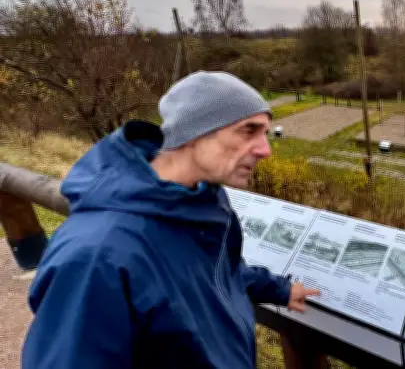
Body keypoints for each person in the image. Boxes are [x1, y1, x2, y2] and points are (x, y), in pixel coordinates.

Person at [22, 71, 321, 368]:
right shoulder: (96, 256)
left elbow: (210, 271)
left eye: (265, 133)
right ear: (195, 132)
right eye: (248, 130)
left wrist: (279, 289)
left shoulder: (199, 200)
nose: (265, 150)